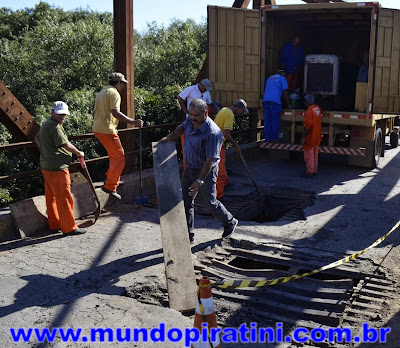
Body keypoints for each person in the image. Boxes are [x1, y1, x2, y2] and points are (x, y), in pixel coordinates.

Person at [159, 99, 238, 244]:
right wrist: (168, 138)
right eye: (191, 114)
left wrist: (199, 181)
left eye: (196, 115)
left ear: (205, 113)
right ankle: (188, 235)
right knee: (185, 201)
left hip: (206, 171)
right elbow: (181, 128)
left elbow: (210, 160)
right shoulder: (190, 121)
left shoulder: (213, 133)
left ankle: (230, 222)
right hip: (190, 168)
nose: (193, 118)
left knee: (209, 202)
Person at [35, 101, 87, 236]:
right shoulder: (55, 127)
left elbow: (36, 139)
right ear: (52, 112)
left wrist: (46, 152)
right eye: (60, 114)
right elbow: (65, 144)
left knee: (51, 197)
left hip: (46, 166)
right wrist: (78, 152)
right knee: (64, 197)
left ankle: (55, 224)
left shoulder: (45, 124)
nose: (62, 117)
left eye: (64, 114)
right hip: (58, 168)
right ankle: (69, 227)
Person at [92, 72, 143, 199]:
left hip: (98, 129)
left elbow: (94, 113)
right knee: (120, 158)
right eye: (123, 84)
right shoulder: (114, 93)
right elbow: (115, 112)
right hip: (107, 130)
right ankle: (110, 186)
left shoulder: (101, 93)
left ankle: (111, 177)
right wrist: (133, 122)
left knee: (114, 156)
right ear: (118, 83)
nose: (124, 86)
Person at [214, 99, 249, 200]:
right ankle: (219, 195)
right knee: (219, 171)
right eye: (242, 111)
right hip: (218, 144)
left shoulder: (224, 109)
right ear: (238, 108)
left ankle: (225, 184)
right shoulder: (230, 114)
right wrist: (235, 145)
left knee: (222, 166)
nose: (241, 113)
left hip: (217, 142)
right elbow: (226, 133)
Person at [263, 67, 291, 142]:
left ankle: (267, 138)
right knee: (275, 120)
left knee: (267, 120)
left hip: (265, 100)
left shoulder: (269, 78)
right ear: (283, 73)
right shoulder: (282, 79)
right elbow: (285, 92)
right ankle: (274, 138)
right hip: (275, 101)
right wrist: (288, 104)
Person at [300, 94, 322, 178]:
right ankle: (314, 170)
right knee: (315, 154)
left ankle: (310, 171)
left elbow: (308, 125)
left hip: (310, 137)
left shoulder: (308, 113)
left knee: (309, 155)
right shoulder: (317, 108)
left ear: (306, 102)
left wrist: (303, 137)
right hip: (317, 135)